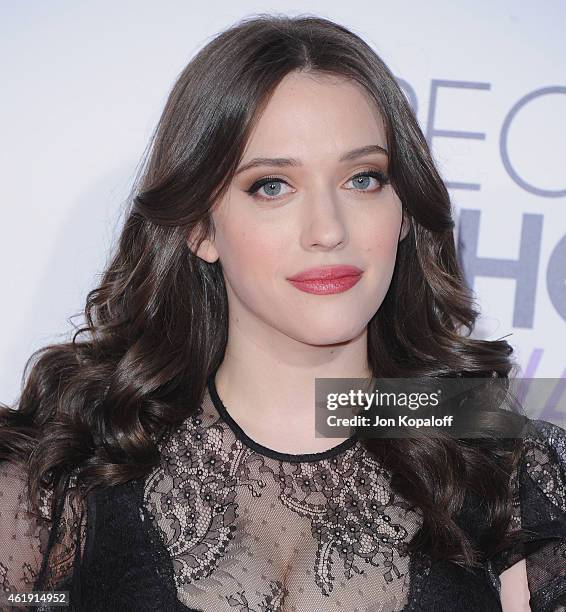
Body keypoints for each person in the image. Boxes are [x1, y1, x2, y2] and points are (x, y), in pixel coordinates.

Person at [1, 14, 565, 612]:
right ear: (199, 228)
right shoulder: (62, 469)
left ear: (404, 212)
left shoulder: (503, 466)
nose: (328, 230)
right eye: (272, 185)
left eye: (364, 179)